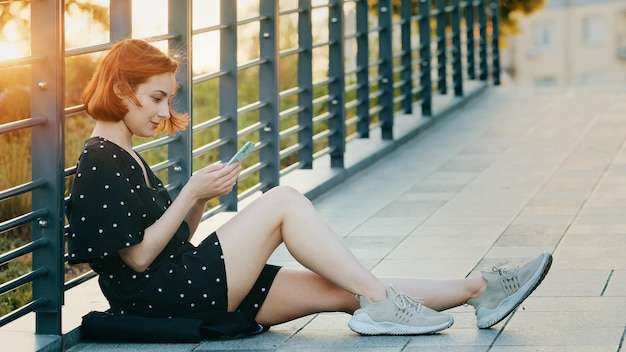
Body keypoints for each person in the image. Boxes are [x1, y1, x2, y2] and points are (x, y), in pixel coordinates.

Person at [66, 38, 553, 338]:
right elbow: (137, 259)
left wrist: (199, 200)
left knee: (342, 290)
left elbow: (169, 241)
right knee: (281, 201)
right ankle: (383, 304)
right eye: (156, 97)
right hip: (165, 297)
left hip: (181, 285)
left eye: (167, 98)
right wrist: (191, 193)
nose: (162, 111)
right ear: (122, 89)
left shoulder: (125, 154)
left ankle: (478, 291)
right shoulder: (99, 161)